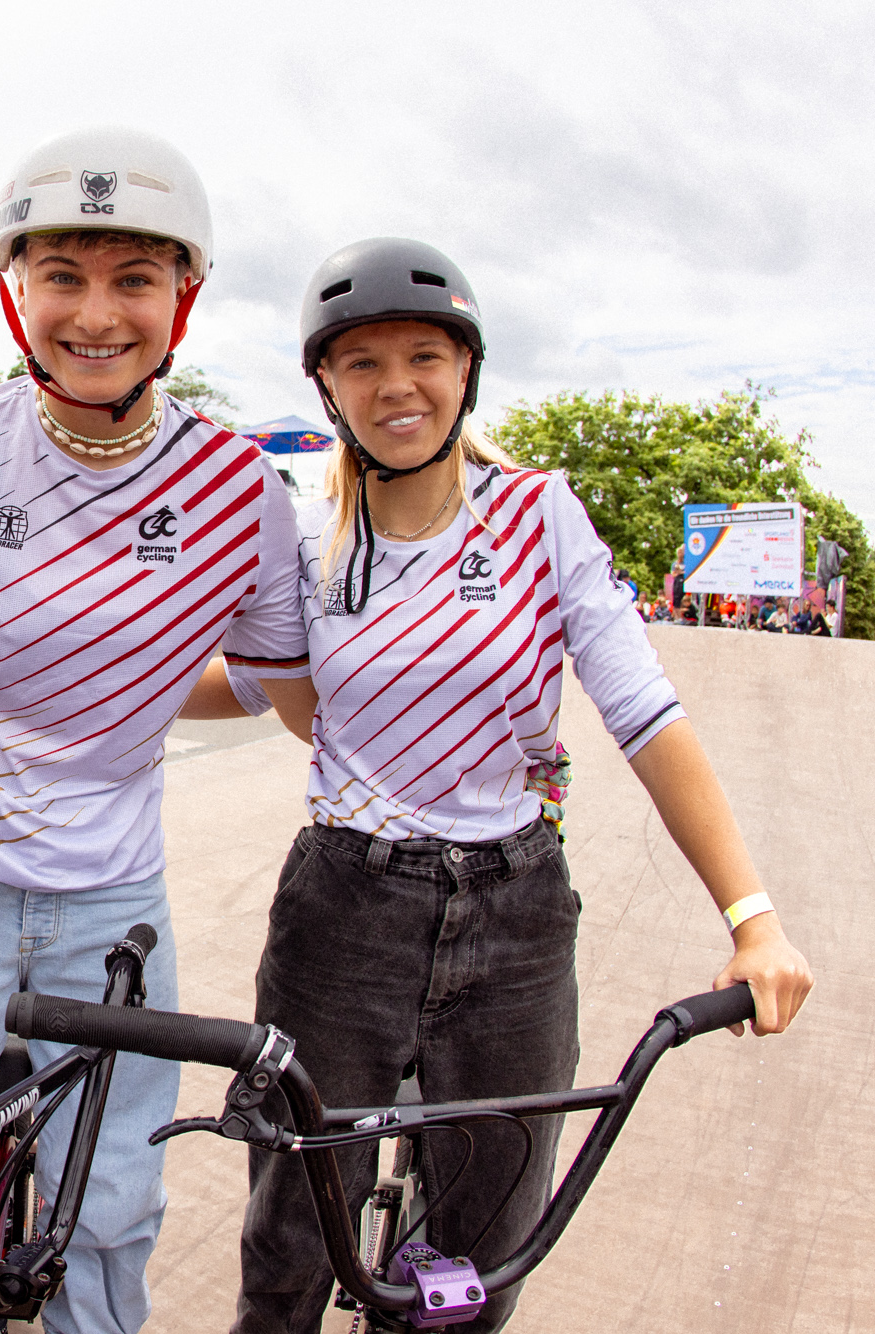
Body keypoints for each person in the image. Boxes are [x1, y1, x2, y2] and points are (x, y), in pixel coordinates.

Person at [219, 238, 815, 1334]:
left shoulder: (538, 516)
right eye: (361, 363)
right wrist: (71, 665)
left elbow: (644, 711)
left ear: (466, 370)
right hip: (341, 909)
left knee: (483, 1251)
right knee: (293, 1234)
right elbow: (255, 685)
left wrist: (754, 919)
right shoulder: (305, 544)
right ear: (327, 386)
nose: (395, 385)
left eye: (423, 356)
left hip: (515, 911)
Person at [0, 127, 306, 1334]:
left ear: (182, 295)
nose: (94, 314)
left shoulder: (238, 491)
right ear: (14, 289)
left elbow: (279, 685)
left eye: (133, 278)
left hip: (112, 892)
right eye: (60, 276)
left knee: (114, 1193)